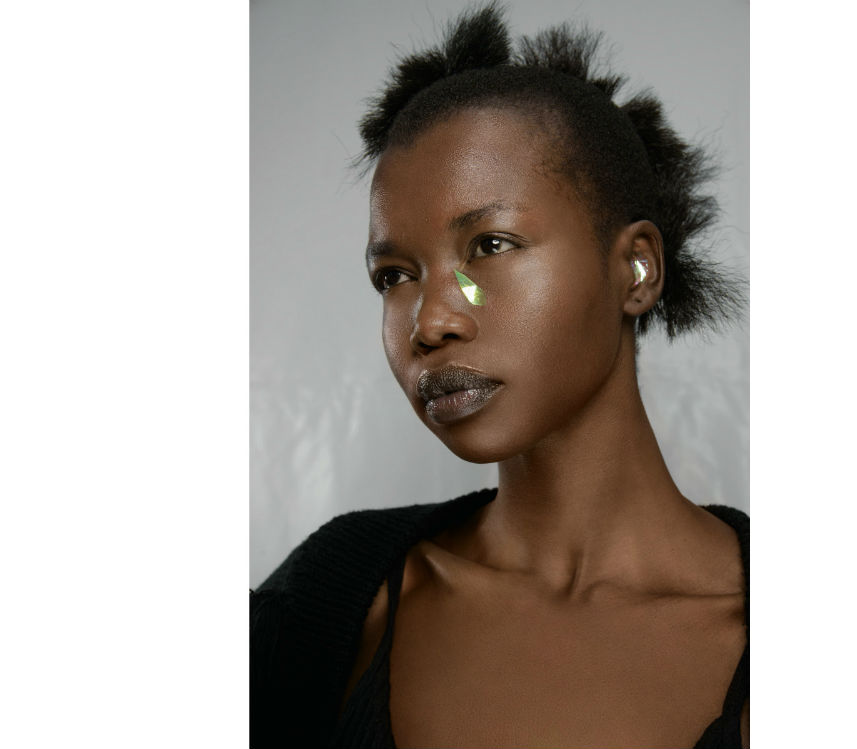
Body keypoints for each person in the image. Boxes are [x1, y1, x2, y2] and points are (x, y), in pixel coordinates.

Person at [250, 4, 748, 747]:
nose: (430, 321)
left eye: (488, 245)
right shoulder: (332, 606)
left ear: (636, 268)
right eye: (395, 275)